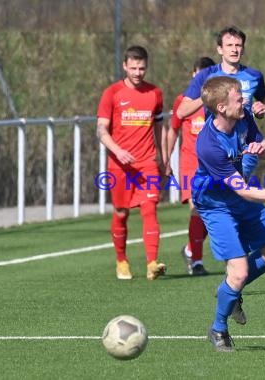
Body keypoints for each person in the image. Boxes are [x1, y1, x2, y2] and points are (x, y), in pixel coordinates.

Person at [194, 76, 265, 352]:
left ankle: (230, 291)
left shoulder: (244, 117)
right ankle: (218, 328)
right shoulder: (208, 144)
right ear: (221, 107)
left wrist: (260, 149)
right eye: (238, 98)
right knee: (239, 271)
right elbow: (244, 191)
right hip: (215, 204)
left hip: (241, 197)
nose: (244, 101)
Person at [96, 45, 167, 281]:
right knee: (121, 212)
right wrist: (118, 150)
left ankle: (152, 263)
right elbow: (101, 130)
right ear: (125, 66)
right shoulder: (112, 93)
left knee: (150, 208)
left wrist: (164, 159)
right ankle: (122, 261)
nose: (138, 73)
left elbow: (159, 127)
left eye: (142, 68)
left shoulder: (155, 93)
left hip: (147, 163)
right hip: (120, 165)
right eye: (133, 68)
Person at [176, 25, 265, 151]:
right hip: (216, 143)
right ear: (220, 49)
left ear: (243, 49)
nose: (234, 49)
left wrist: (262, 109)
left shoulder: (254, 76)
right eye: (229, 45)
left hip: (245, 144)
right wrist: (207, 97)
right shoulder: (206, 75)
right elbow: (181, 112)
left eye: (238, 45)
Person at [165, 56, 216, 276]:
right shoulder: (183, 102)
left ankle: (189, 249)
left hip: (214, 166)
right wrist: (166, 159)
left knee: (211, 211)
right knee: (196, 208)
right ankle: (197, 261)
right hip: (190, 164)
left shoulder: (218, 101)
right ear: (193, 75)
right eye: (199, 74)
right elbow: (172, 130)